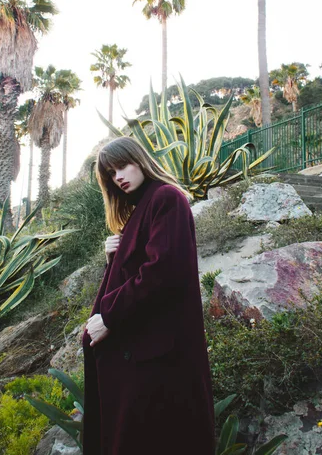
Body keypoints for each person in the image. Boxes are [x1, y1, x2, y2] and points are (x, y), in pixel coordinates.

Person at [82, 136, 215, 455]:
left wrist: (109, 317)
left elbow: (163, 271)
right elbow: (139, 269)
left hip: (156, 357)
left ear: (139, 159)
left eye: (123, 166)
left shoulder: (166, 197)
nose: (119, 177)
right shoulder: (140, 210)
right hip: (146, 354)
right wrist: (114, 253)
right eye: (112, 174)